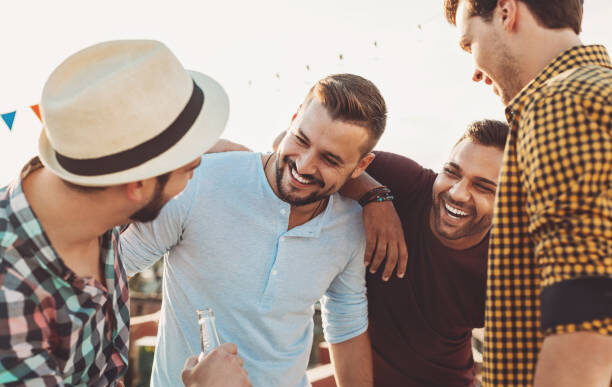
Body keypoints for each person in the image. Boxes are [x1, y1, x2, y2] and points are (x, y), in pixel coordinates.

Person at [0, 39, 249, 386]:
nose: (197, 171)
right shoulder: (11, 294)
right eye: (190, 168)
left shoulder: (93, 195)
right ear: (136, 186)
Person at [120, 73, 387, 387]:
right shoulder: (199, 182)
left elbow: (346, 324)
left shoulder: (350, 225)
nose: (303, 165)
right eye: (301, 139)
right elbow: (110, 270)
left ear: (360, 167)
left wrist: (379, 198)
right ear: (292, 119)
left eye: (329, 159)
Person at [444, 1, 612, 385]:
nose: (474, 71)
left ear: (506, 12)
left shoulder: (560, 102)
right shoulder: (598, 92)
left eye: (471, 44)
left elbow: (587, 321)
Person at [336, 120, 506, 386]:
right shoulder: (404, 183)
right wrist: (375, 195)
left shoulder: (509, 262)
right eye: (452, 172)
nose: (458, 193)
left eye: (484, 187)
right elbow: (296, 151)